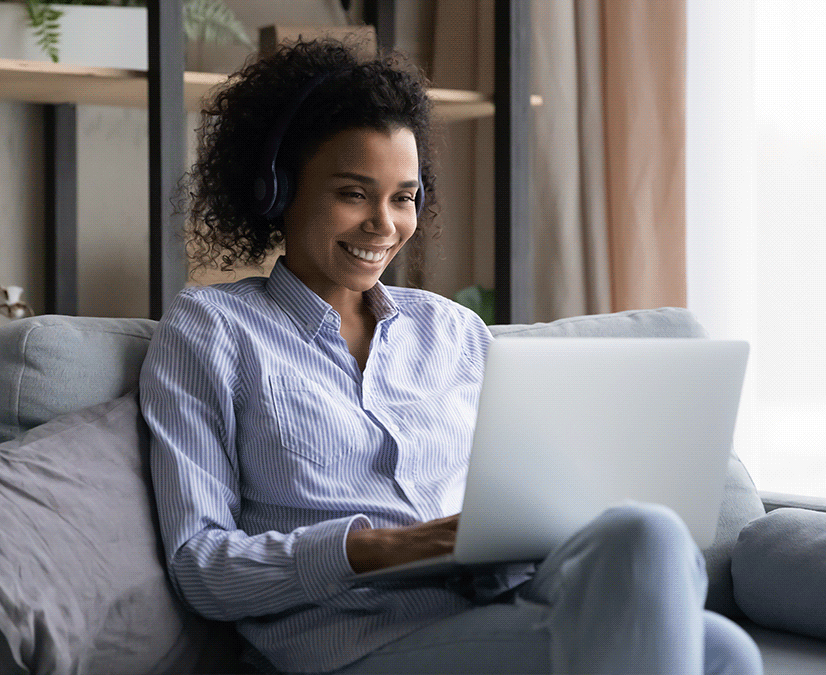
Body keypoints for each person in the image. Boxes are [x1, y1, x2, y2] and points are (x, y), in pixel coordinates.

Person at [139, 39, 763, 675]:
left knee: (672, 567)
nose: (384, 224)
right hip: (355, 642)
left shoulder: (454, 331)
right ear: (276, 190)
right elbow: (202, 567)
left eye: (404, 197)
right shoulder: (211, 329)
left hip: (495, 605)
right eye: (354, 192)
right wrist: (390, 547)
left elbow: (527, 499)